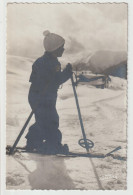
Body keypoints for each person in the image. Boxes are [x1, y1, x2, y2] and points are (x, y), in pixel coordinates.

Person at [25, 30, 72, 154]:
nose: (63, 49)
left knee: (43, 120)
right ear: (55, 48)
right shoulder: (49, 63)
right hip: (42, 97)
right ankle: (53, 146)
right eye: (61, 47)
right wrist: (67, 74)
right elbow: (55, 81)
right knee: (51, 120)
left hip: (39, 96)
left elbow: (47, 80)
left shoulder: (45, 61)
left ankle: (33, 142)